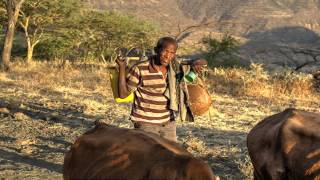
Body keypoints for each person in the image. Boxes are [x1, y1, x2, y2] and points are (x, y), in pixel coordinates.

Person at [116, 37, 207, 142]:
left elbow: (202, 61)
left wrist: (198, 62)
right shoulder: (140, 69)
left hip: (168, 123)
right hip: (145, 123)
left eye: (172, 53)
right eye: (165, 51)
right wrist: (122, 68)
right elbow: (123, 94)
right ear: (156, 50)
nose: (167, 56)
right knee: (149, 155)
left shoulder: (175, 67)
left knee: (170, 155)